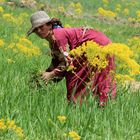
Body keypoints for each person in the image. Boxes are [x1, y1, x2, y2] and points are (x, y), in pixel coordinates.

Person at [27, 11, 116, 106]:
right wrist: (44, 76)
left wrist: (51, 75)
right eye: (36, 30)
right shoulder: (53, 37)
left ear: (49, 25)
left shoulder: (58, 36)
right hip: (96, 44)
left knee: (76, 78)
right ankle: (94, 105)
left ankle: (83, 107)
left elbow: (67, 62)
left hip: (96, 45)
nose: (39, 31)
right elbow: (58, 60)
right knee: (87, 77)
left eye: (41, 27)